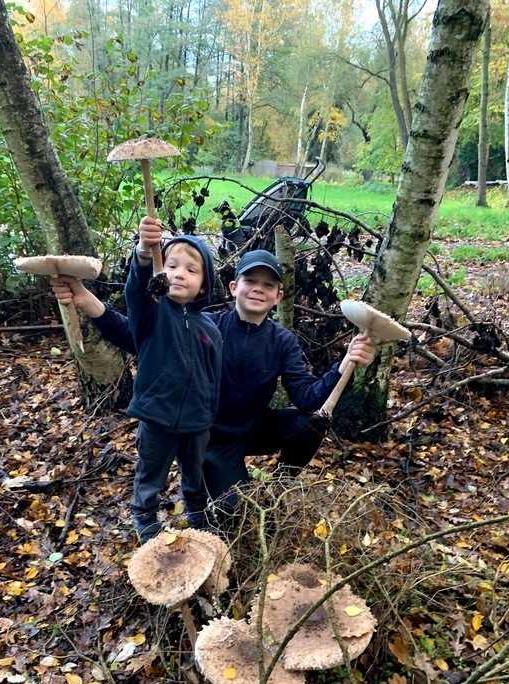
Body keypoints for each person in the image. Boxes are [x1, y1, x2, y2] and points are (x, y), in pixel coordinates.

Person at [51, 216, 376, 524]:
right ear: (234, 287)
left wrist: (344, 365)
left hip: (252, 428)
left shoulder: (283, 341)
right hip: (209, 439)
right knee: (234, 514)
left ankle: (278, 488)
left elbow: (307, 397)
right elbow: (136, 334)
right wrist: (85, 299)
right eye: (250, 280)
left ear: (278, 297)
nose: (257, 289)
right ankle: (222, 484)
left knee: (310, 424)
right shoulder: (209, 327)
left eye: (267, 285)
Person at [94, 231, 222, 543]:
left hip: (197, 422)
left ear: (203, 284)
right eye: (172, 265)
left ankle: (197, 514)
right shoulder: (153, 313)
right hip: (157, 418)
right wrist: (142, 253)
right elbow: (135, 293)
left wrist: (209, 413)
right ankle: (145, 519)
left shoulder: (210, 328)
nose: (180, 274)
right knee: (151, 473)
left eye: (191, 270)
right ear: (160, 272)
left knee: (195, 474)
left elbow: (213, 375)